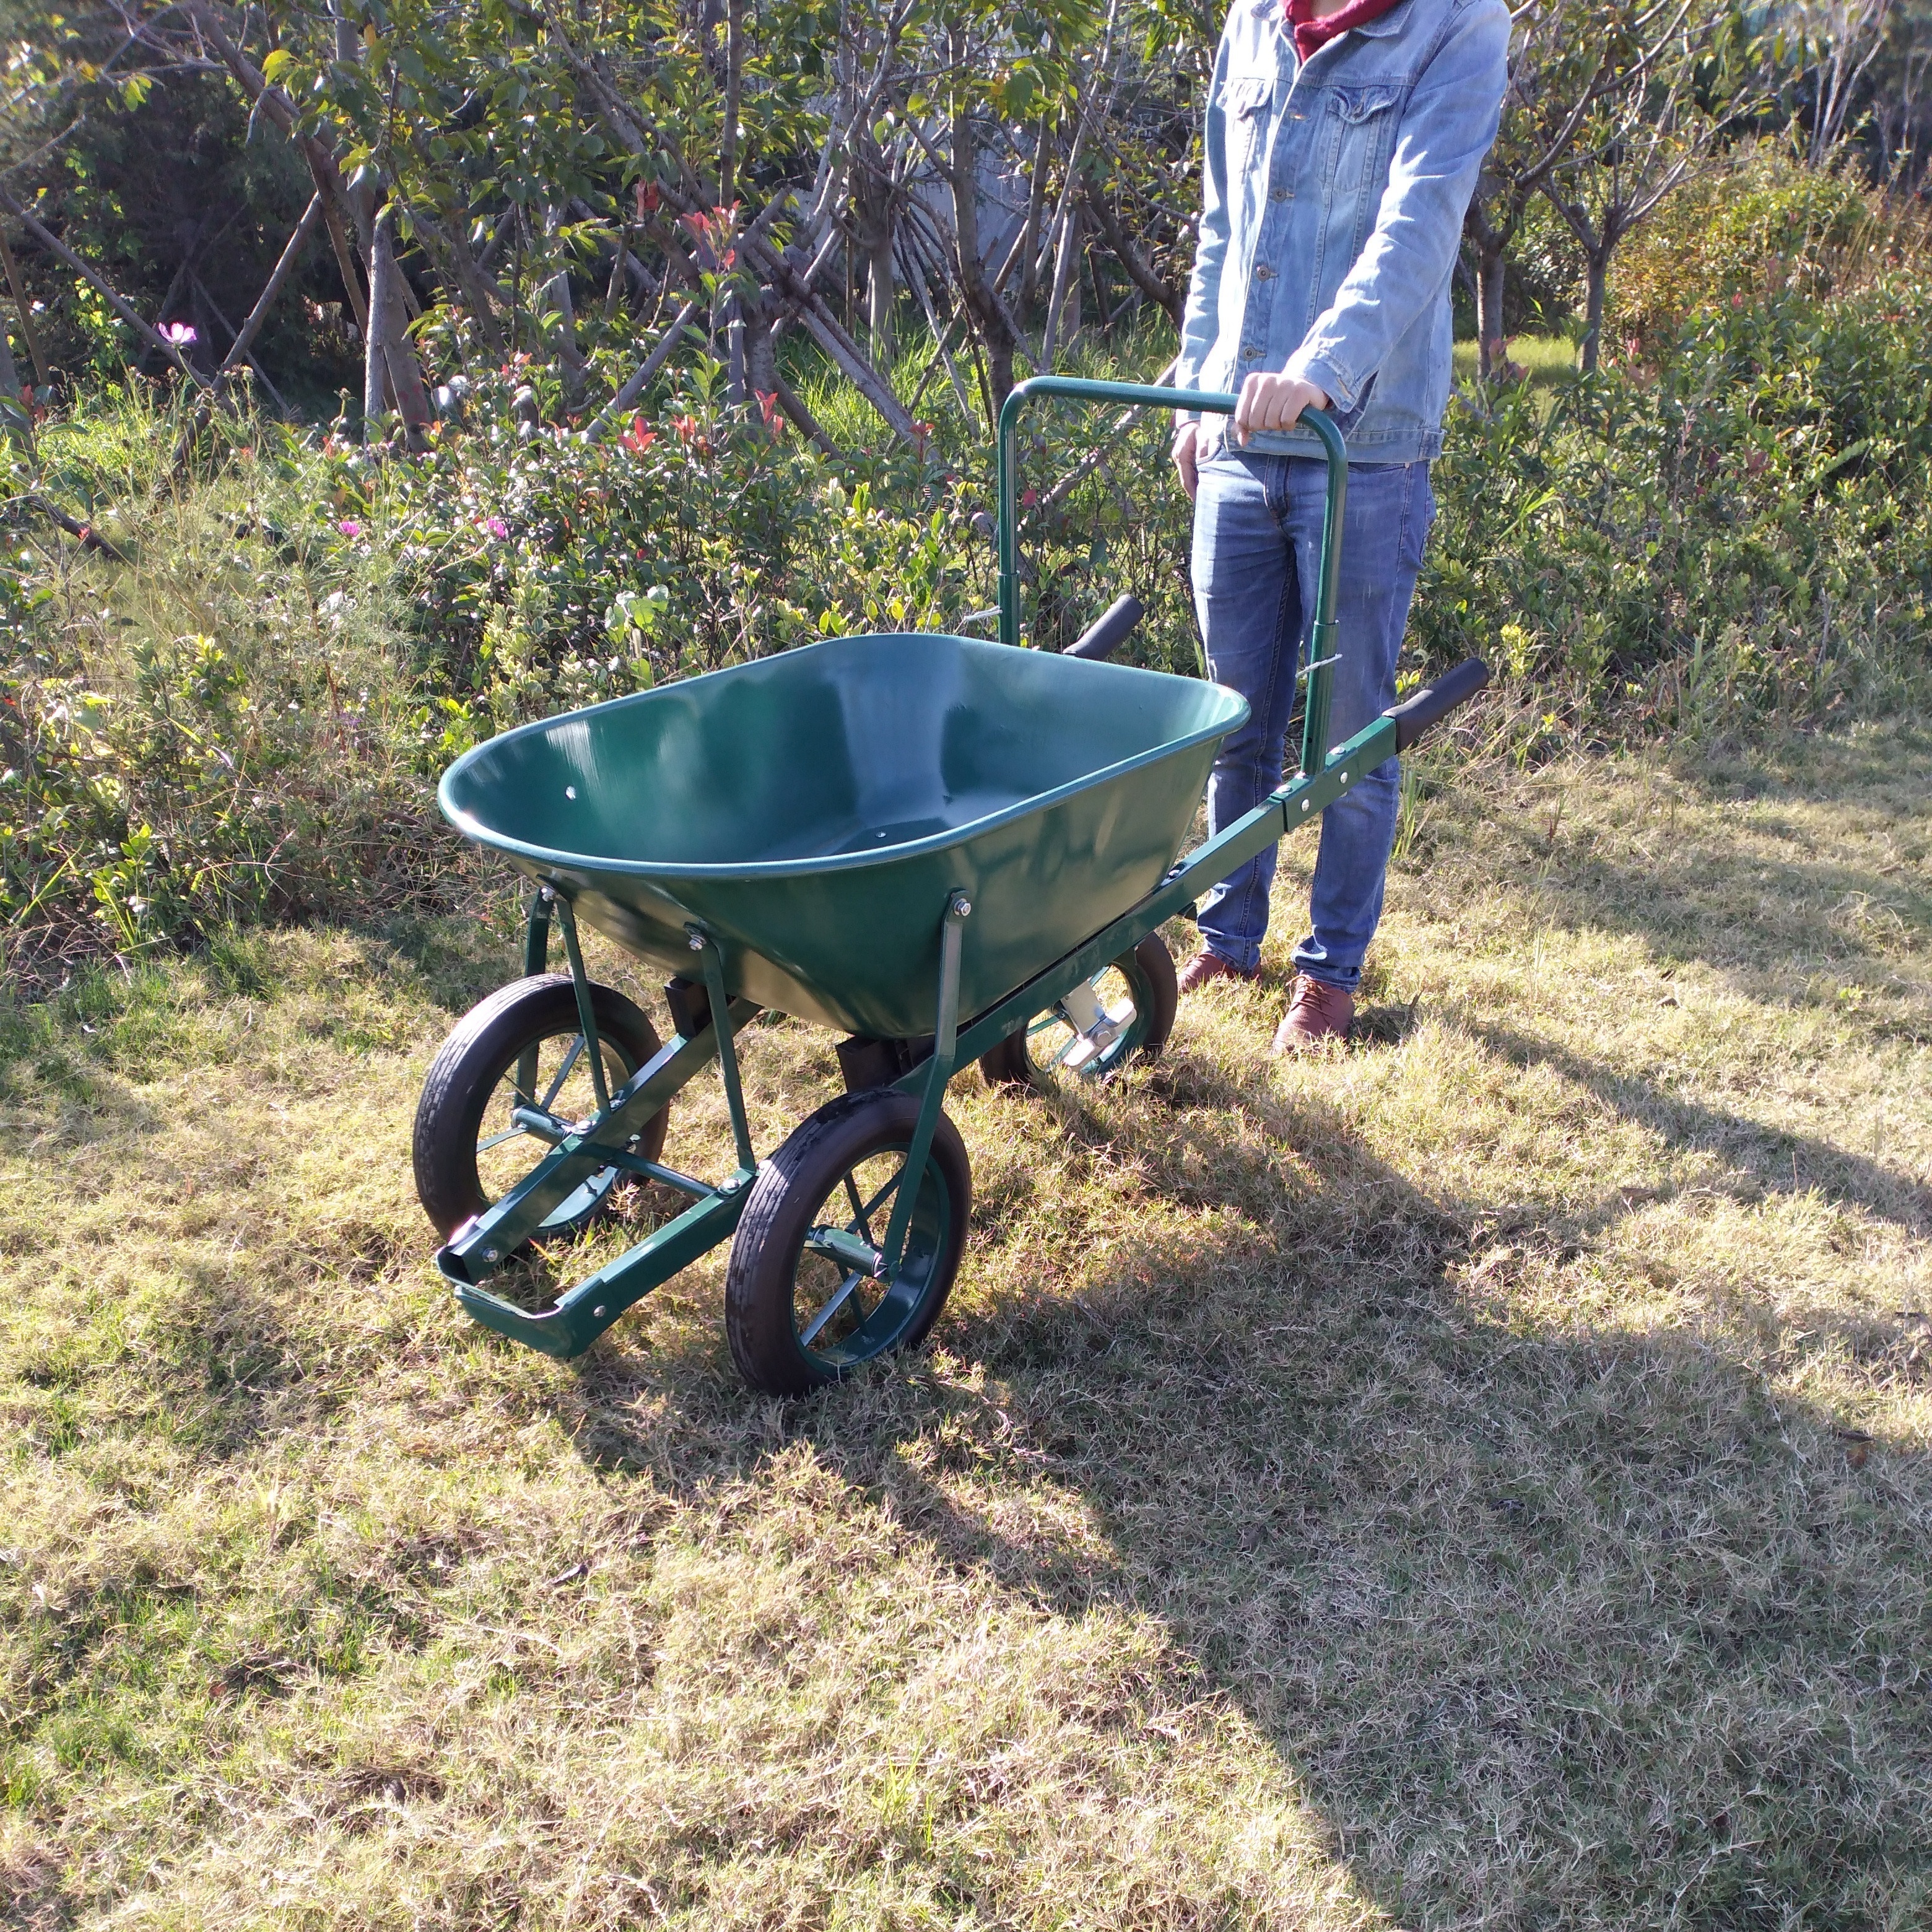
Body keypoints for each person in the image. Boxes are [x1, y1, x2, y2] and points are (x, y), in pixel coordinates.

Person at [1170, 0, 1508, 1051]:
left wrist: (1322, 368)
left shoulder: (1458, 26)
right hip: (1237, 436)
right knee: (1232, 719)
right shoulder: (1256, 21)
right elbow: (1222, 221)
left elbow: (1420, 222)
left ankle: (1330, 973)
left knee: (1351, 730)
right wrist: (1194, 384)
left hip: (1363, 442)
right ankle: (1228, 938)